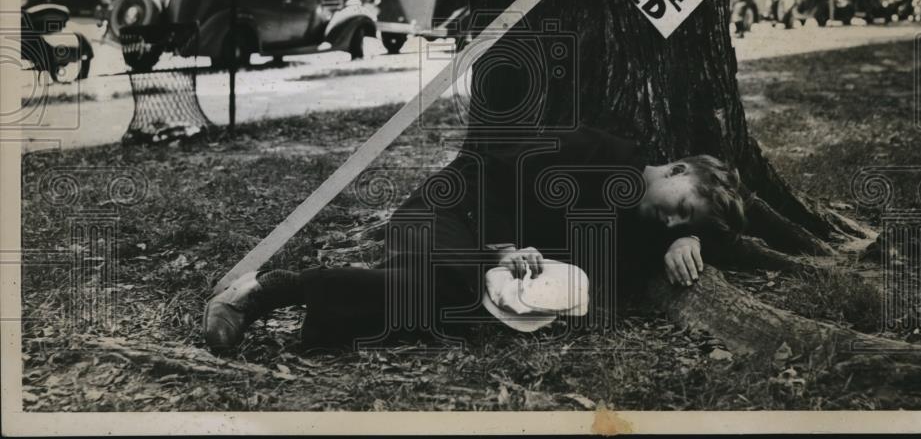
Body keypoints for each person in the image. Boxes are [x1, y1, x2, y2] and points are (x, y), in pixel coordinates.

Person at [203, 124, 745, 351]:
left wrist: (685, 243)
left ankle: (324, 315)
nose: (673, 223)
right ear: (674, 170)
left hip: (472, 261)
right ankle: (264, 291)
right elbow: (487, 164)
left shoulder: (640, 228)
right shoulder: (595, 149)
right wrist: (505, 245)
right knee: (451, 291)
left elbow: (651, 254)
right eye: (681, 211)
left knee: (449, 309)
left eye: (683, 225)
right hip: (449, 210)